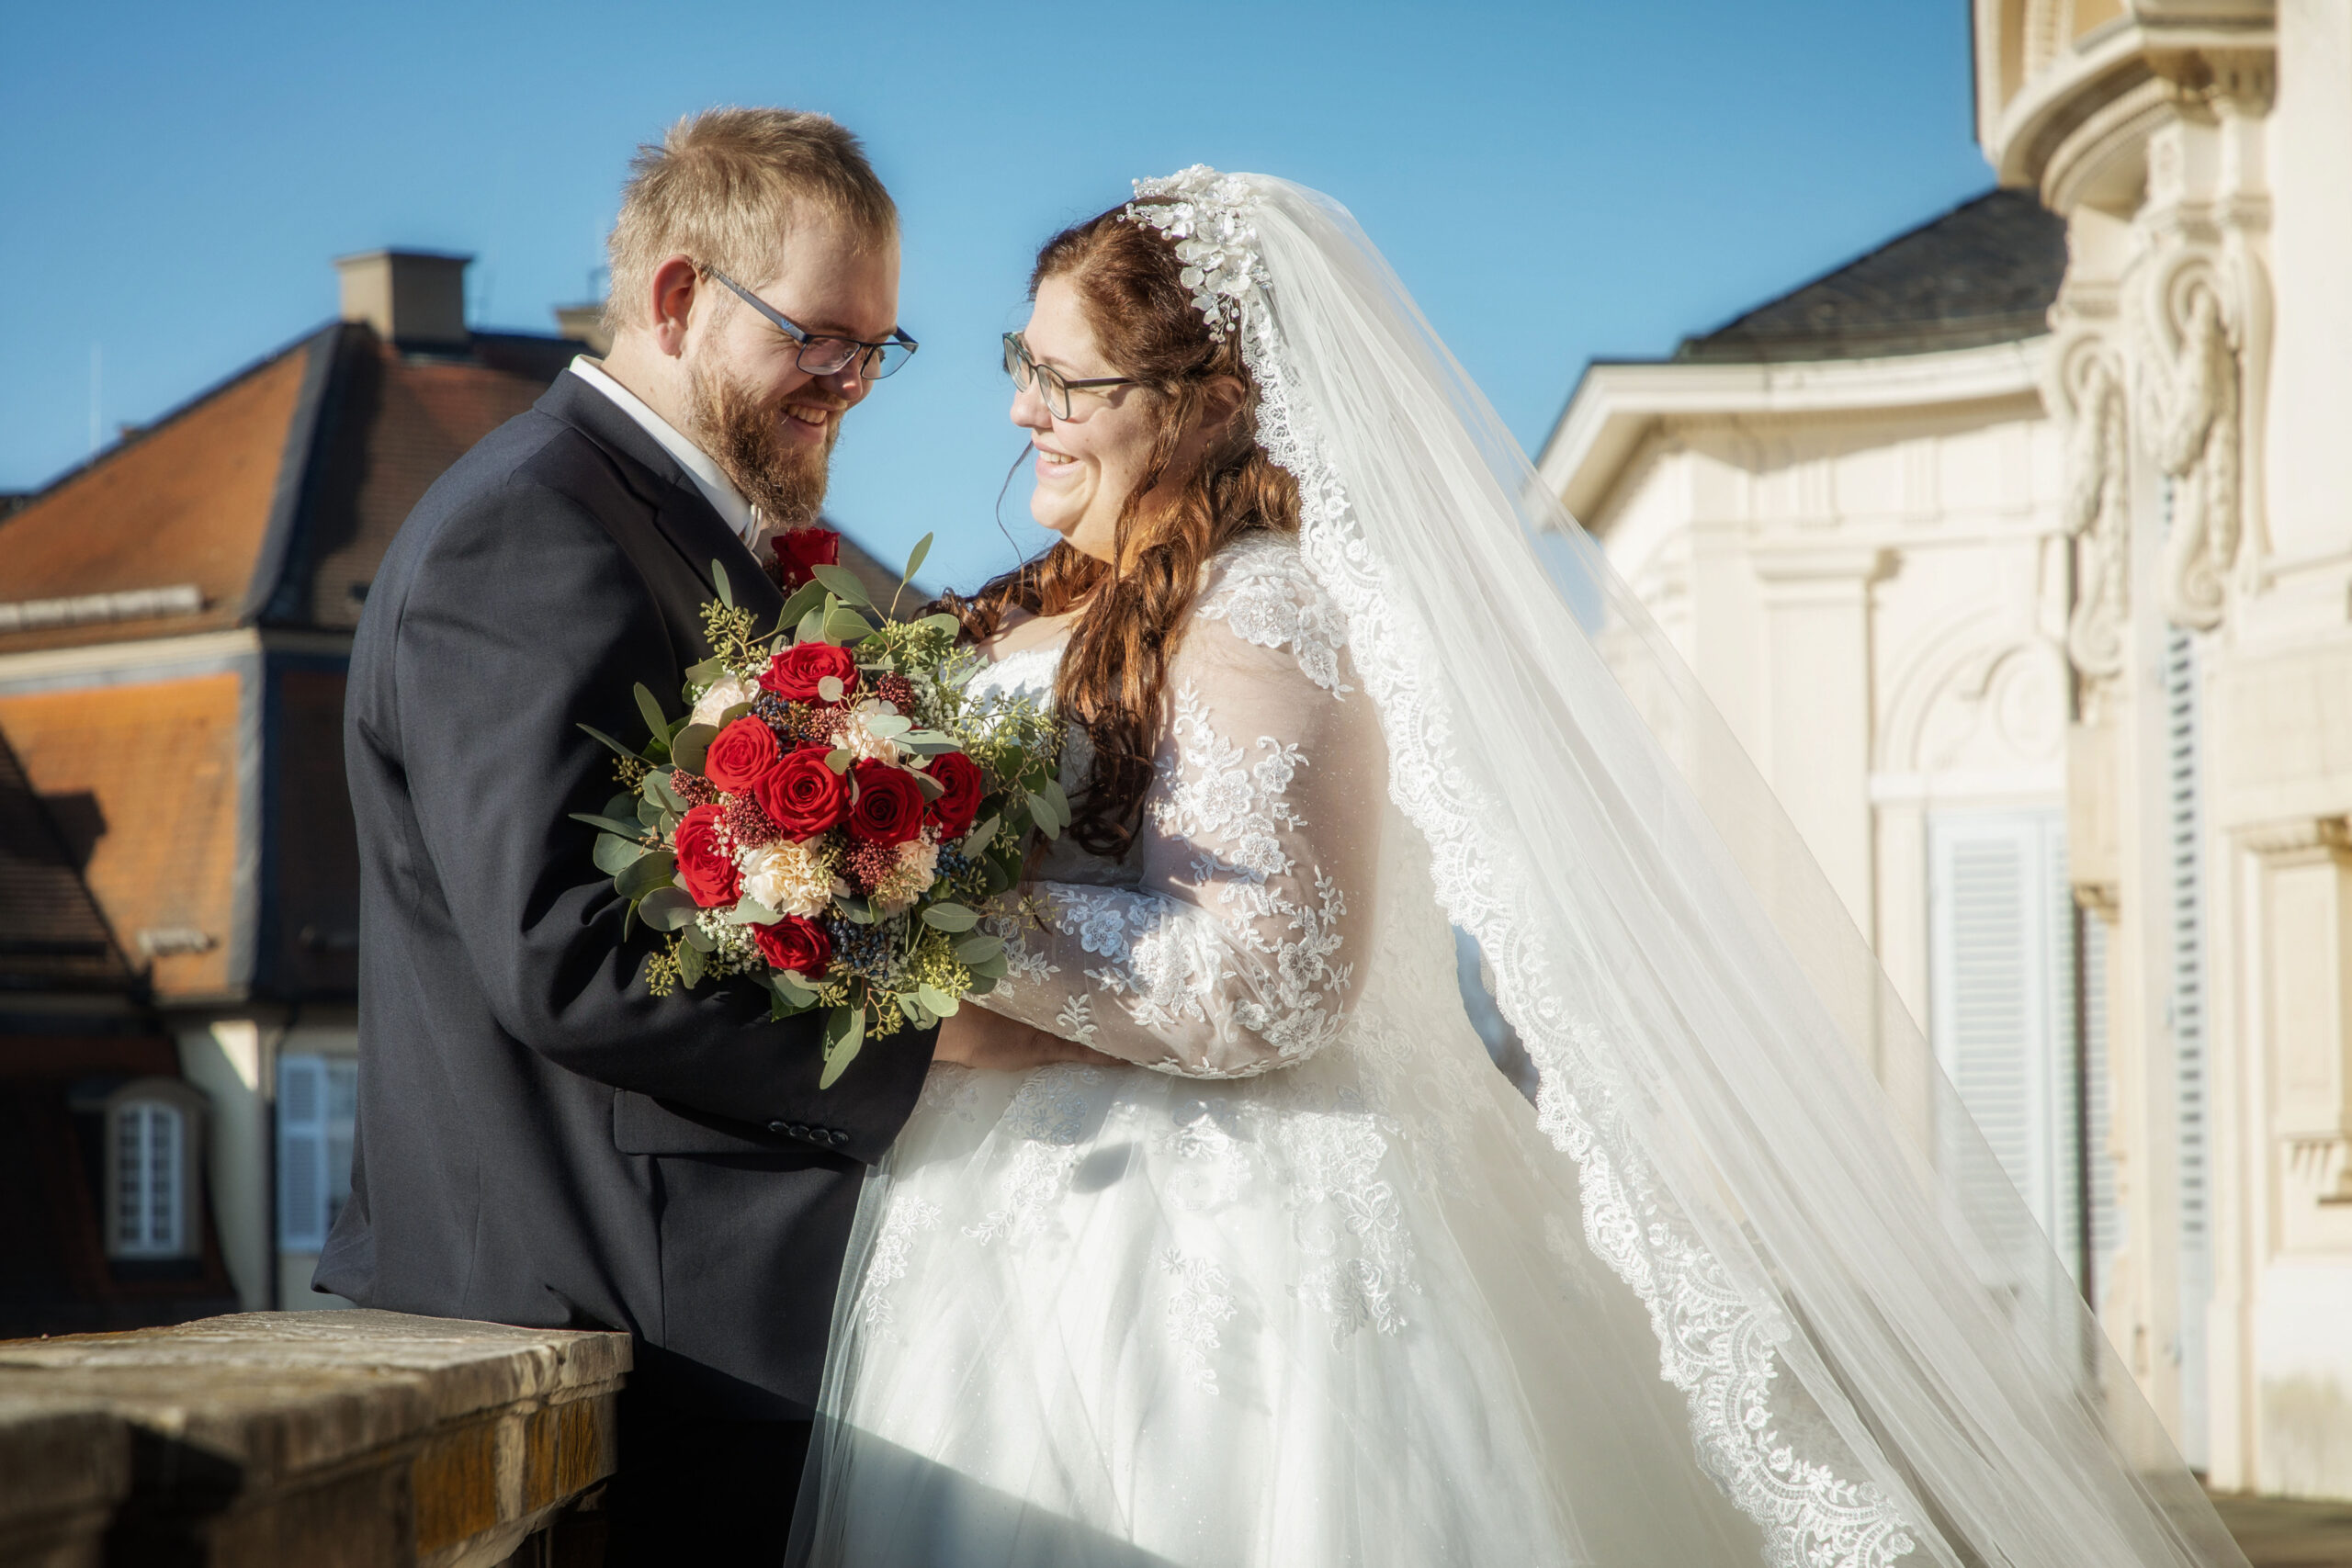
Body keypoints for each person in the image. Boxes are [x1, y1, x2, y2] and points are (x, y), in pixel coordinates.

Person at [786, 170, 2254, 1568]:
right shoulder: (1045, 602)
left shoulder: (1267, 605)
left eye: (1071, 384)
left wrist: (940, 934)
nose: (1022, 410)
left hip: (1210, 1260)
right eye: (1020, 363)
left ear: (1212, 402)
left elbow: (1270, 980)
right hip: (1005, 1231)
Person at [321, 107, 1088, 1565]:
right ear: (679, 297)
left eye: (880, 348)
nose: (855, 385)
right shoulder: (533, 532)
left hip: (684, 1318)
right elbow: (566, 957)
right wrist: (930, 1036)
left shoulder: (661, 521)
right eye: (821, 337)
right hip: (628, 1311)